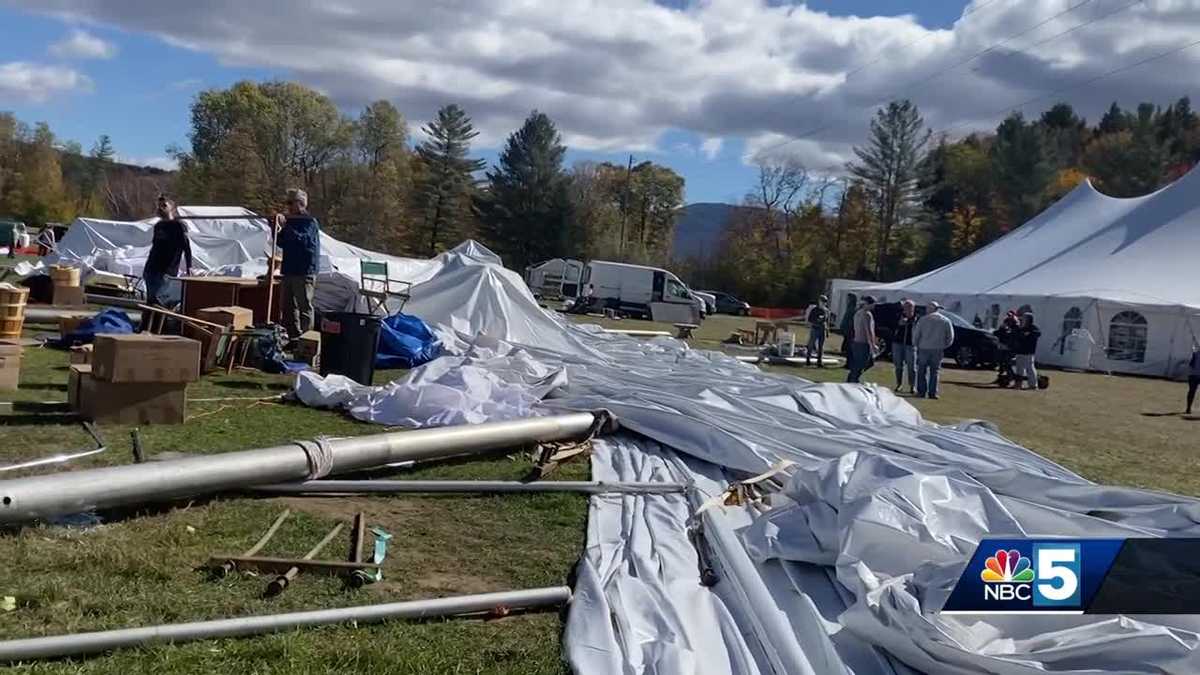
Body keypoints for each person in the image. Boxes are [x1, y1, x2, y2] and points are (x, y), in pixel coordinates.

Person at [275, 188, 321, 340]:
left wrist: (286, 227)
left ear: (301, 204)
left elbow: (303, 241)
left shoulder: (310, 222)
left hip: (304, 270)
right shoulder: (291, 222)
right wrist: (275, 228)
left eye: (291, 203)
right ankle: (294, 337)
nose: (288, 206)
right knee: (288, 307)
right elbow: (281, 242)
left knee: (304, 307)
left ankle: (307, 340)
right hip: (289, 269)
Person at [141, 196, 192, 316]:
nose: (160, 208)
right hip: (151, 268)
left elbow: (186, 248)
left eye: (164, 206)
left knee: (160, 303)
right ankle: (148, 327)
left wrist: (189, 266)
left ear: (172, 208)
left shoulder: (178, 226)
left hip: (166, 271)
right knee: (150, 301)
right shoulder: (158, 226)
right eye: (159, 206)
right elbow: (155, 246)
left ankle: (158, 327)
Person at [913, 300, 955, 399]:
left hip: (924, 347)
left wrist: (916, 344)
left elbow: (917, 334)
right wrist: (944, 345)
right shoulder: (945, 320)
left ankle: (921, 392)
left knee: (922, 370)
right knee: (935, 371)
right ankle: (933, 393)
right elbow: (950, 336)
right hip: (938, 348)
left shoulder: (923, 320)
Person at [846, 296, 877, 383]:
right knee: (860, 365)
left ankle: (853, 379)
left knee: (860, 364)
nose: (874, 306)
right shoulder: (867, 314)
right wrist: (873, 345)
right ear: (868, 304)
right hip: (863, 343)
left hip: (856, 342)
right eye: (873, 304)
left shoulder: (858, 312)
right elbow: (869, 331)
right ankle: (852, 381)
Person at [893, 299, 917, 392]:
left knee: (912, 367)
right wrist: (899, 323)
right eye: (906, 307)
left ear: (913, 308)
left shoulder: (917, 318)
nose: (908, 309)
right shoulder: (898, 316)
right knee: (898, 365)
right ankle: (899, 384)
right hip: (897, 343)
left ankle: (912, 386)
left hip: (911, 344)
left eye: (910, 307)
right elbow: (892, 327)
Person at [1013, 312, 1042, 390]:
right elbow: (1017, 335)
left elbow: (1037, 334)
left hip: (1029, 352)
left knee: (1030, 368)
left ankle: (1033, 385)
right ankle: (1018, 384)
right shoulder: (1021, 328)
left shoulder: (1033, 328)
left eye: (1025, 318)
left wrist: (1028, 334)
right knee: (1019, 369)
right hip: (1020, 351)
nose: (1023, 319)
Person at [993, 312, 1019, 386]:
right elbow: (998, 332)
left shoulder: (1016, 326)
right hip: (1003, 347)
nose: (1008, 317)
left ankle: (1011, 378)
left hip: (1011, 348)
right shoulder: (1005, 323)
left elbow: (1013, 336)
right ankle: (1001, 378)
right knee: (1001, 363)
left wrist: (1006, 332)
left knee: (1007, 363)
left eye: (1010, 316)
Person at [805, 295, 829, 367]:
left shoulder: (826, 311)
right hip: (815, 328)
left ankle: (819, 361)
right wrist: (816, 321)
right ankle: (808, 359)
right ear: (819, 301)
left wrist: (827, 331)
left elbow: (827, 321)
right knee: (811, 344)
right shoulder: (814, 310)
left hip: (823, 329)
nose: (824, 303)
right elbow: (810, 320)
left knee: (821, 346)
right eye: (822, 301)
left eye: (825, 301)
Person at [1187, 343, 1200, 415]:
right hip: (1193, 375)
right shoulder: (1195, 353)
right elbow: (1191, 364)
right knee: (1192, 391)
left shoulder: (1195, 353)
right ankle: (1188, 408)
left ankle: (1188, 408)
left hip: (1193, 375)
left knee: (1191, 391)